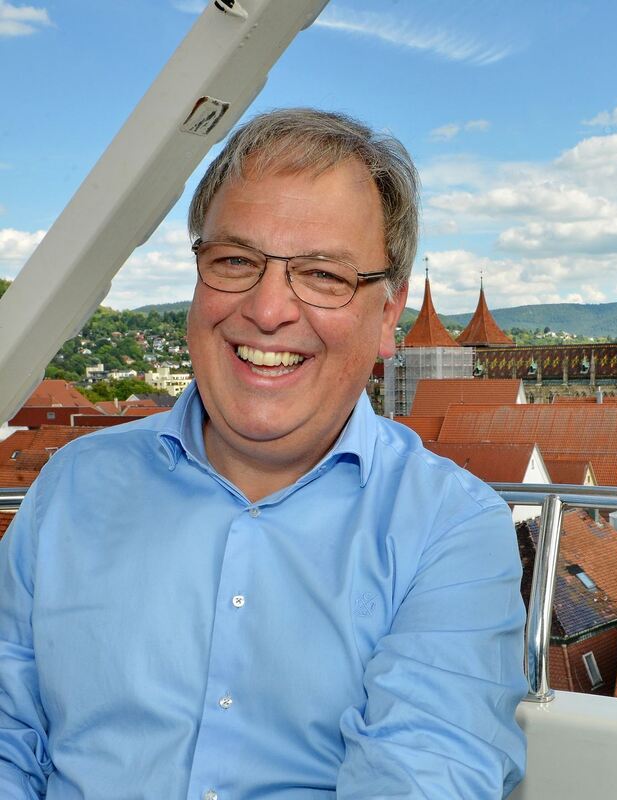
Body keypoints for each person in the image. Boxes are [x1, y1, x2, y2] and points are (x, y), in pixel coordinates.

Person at [0, 109, 527, 798]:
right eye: (236, 261)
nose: (269, 307)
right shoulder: (74, 485)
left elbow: (420, 776)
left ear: (389, 316)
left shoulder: (450, 530)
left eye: (323, 275)